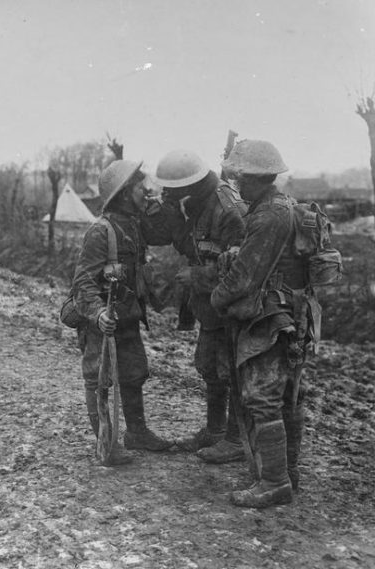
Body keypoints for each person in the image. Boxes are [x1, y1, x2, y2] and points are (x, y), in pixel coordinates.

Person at [211, 139, 317, 508]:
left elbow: (245, 276)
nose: (238, 184)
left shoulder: (269, 215)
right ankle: (287, 474)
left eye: (242, 177)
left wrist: (217, 297)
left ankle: (274, 481)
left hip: (271, 318)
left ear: (258, 178)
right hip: (290, 313)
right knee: (286, 397)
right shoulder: (279, 206)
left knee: (262, 397)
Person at [144, 150, 248, 463]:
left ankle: (237, 438)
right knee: (209, 367)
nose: (167, 194)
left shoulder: (229, 211)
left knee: (233, 370)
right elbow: (177, 239)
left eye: (170, 189)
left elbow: (245, 268)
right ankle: (215, 431)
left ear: (189, 185)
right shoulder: (193, 205)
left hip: (233, 306)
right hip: (209, 307)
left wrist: (197, 275)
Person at [72, 159, 173, 466]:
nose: (146, 191)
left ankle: (137, 433)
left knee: (133, 373)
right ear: (125, 193)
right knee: (99, 379)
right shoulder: (100, 232)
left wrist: (161, 205)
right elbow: (82, 281)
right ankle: (107, 443)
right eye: (141, 188)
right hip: (101, 321)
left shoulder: (134, 225)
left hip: (127, 315)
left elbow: (166, 233)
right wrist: (98, 313)